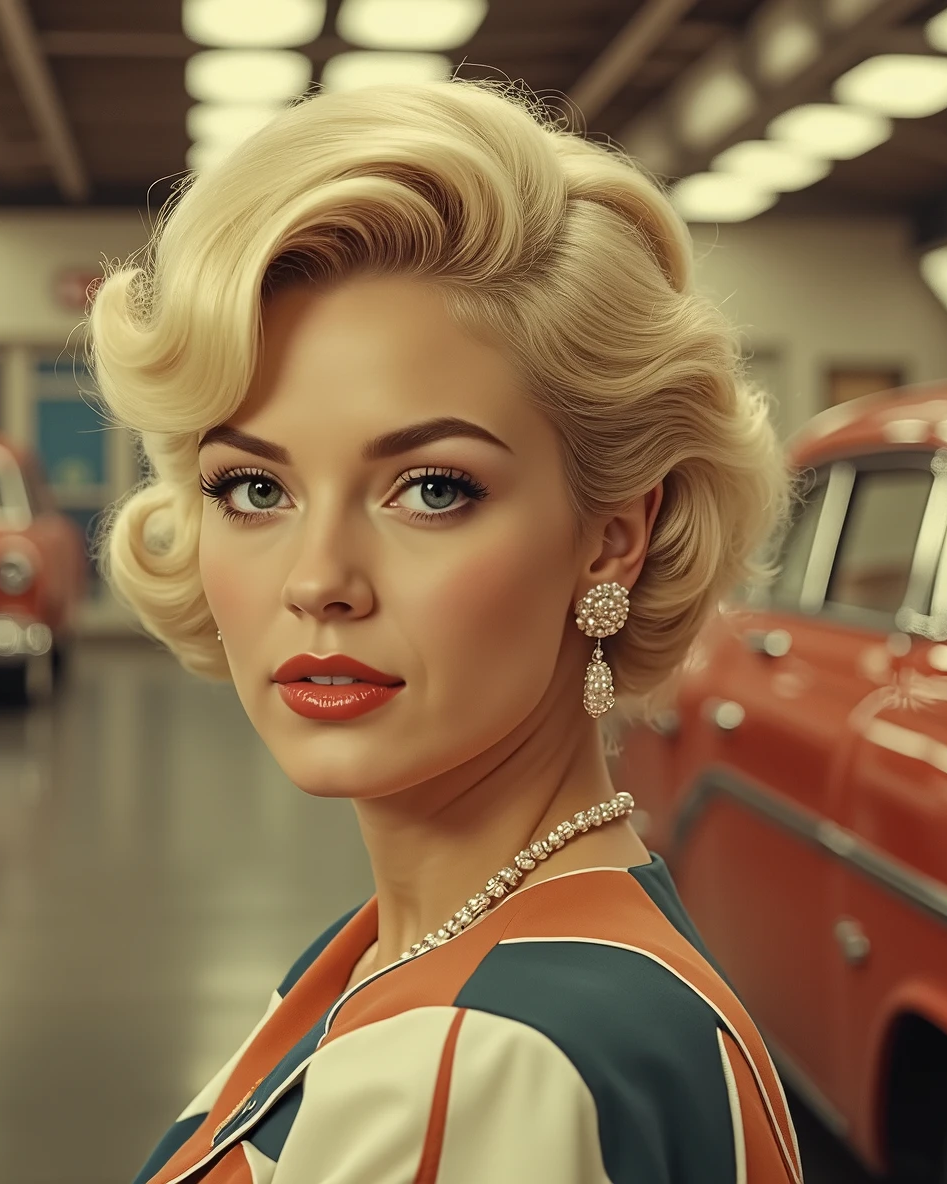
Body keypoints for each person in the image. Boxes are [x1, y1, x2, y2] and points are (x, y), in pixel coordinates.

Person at [95, 79, 798, 1184]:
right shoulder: (480, 952)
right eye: (251, 487)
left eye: (429, 488)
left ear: (612, 535)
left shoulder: (477, 1064)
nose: (319, 579)